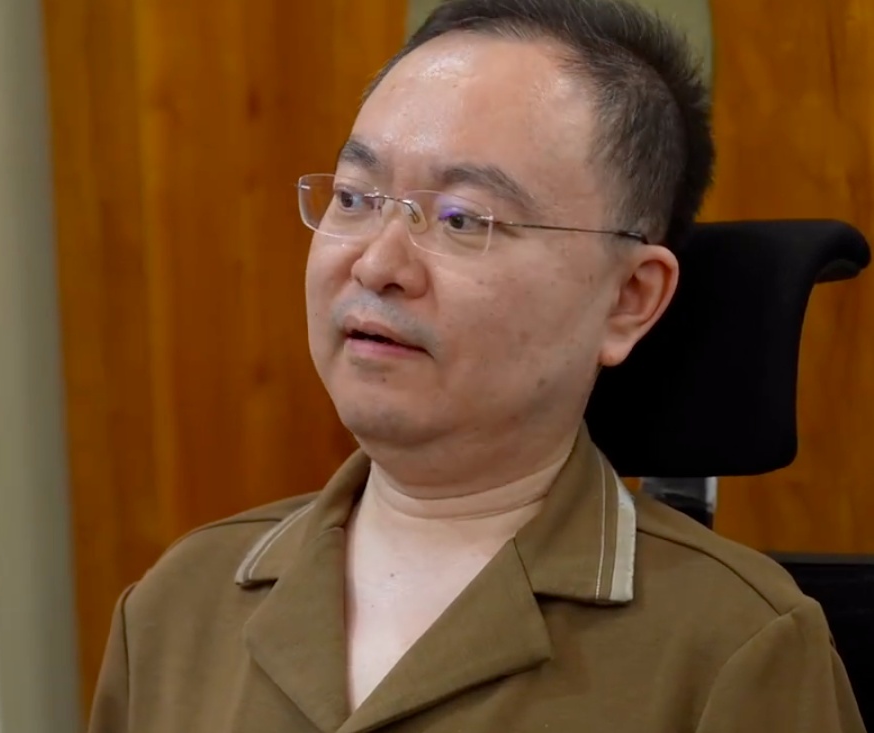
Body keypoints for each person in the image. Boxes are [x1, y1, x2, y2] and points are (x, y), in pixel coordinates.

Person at [87, 0, 866, 731]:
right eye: (355, 198)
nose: (377, 263)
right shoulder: (177, 604)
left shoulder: (737, 646)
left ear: (629, 298)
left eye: (462, 218)